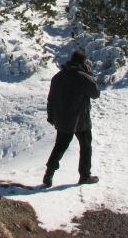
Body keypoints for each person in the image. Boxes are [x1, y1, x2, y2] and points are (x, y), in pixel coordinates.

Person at [44, 50, 100, 187]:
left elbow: (51, 99)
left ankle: (48, 174)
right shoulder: (82, 76)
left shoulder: (58, 77)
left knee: (60, 146)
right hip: (81, 119)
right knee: (85, 146)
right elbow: (95, 93)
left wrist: (51, 116)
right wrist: (89, 75)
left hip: (63, 119)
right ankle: (84, 176)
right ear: (83, 62)